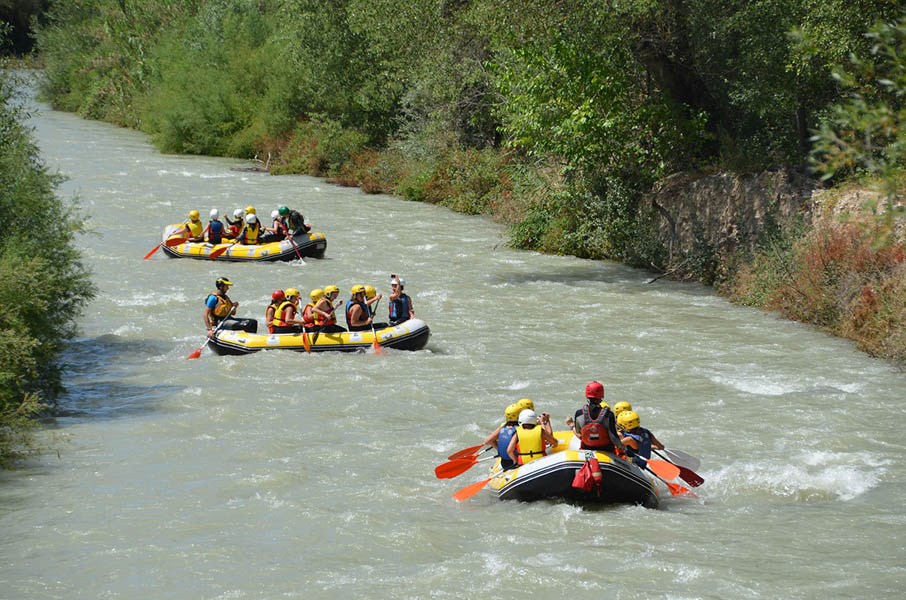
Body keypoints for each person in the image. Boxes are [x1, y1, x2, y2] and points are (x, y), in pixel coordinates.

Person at [568, 381, 624, 452]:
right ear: (602, 395)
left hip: (586, 449)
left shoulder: (579, 413)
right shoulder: (609, 414)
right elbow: (614, 438)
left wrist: (571, 425)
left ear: (587, 395)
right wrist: (623, 447)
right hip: (606, 450)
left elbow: (579, 433)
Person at [483, 403, 521, 471]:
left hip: (504, 462)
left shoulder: (502, 427)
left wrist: (499, 449)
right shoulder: (519, 429)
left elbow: (487, 441)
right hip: (514, 462)